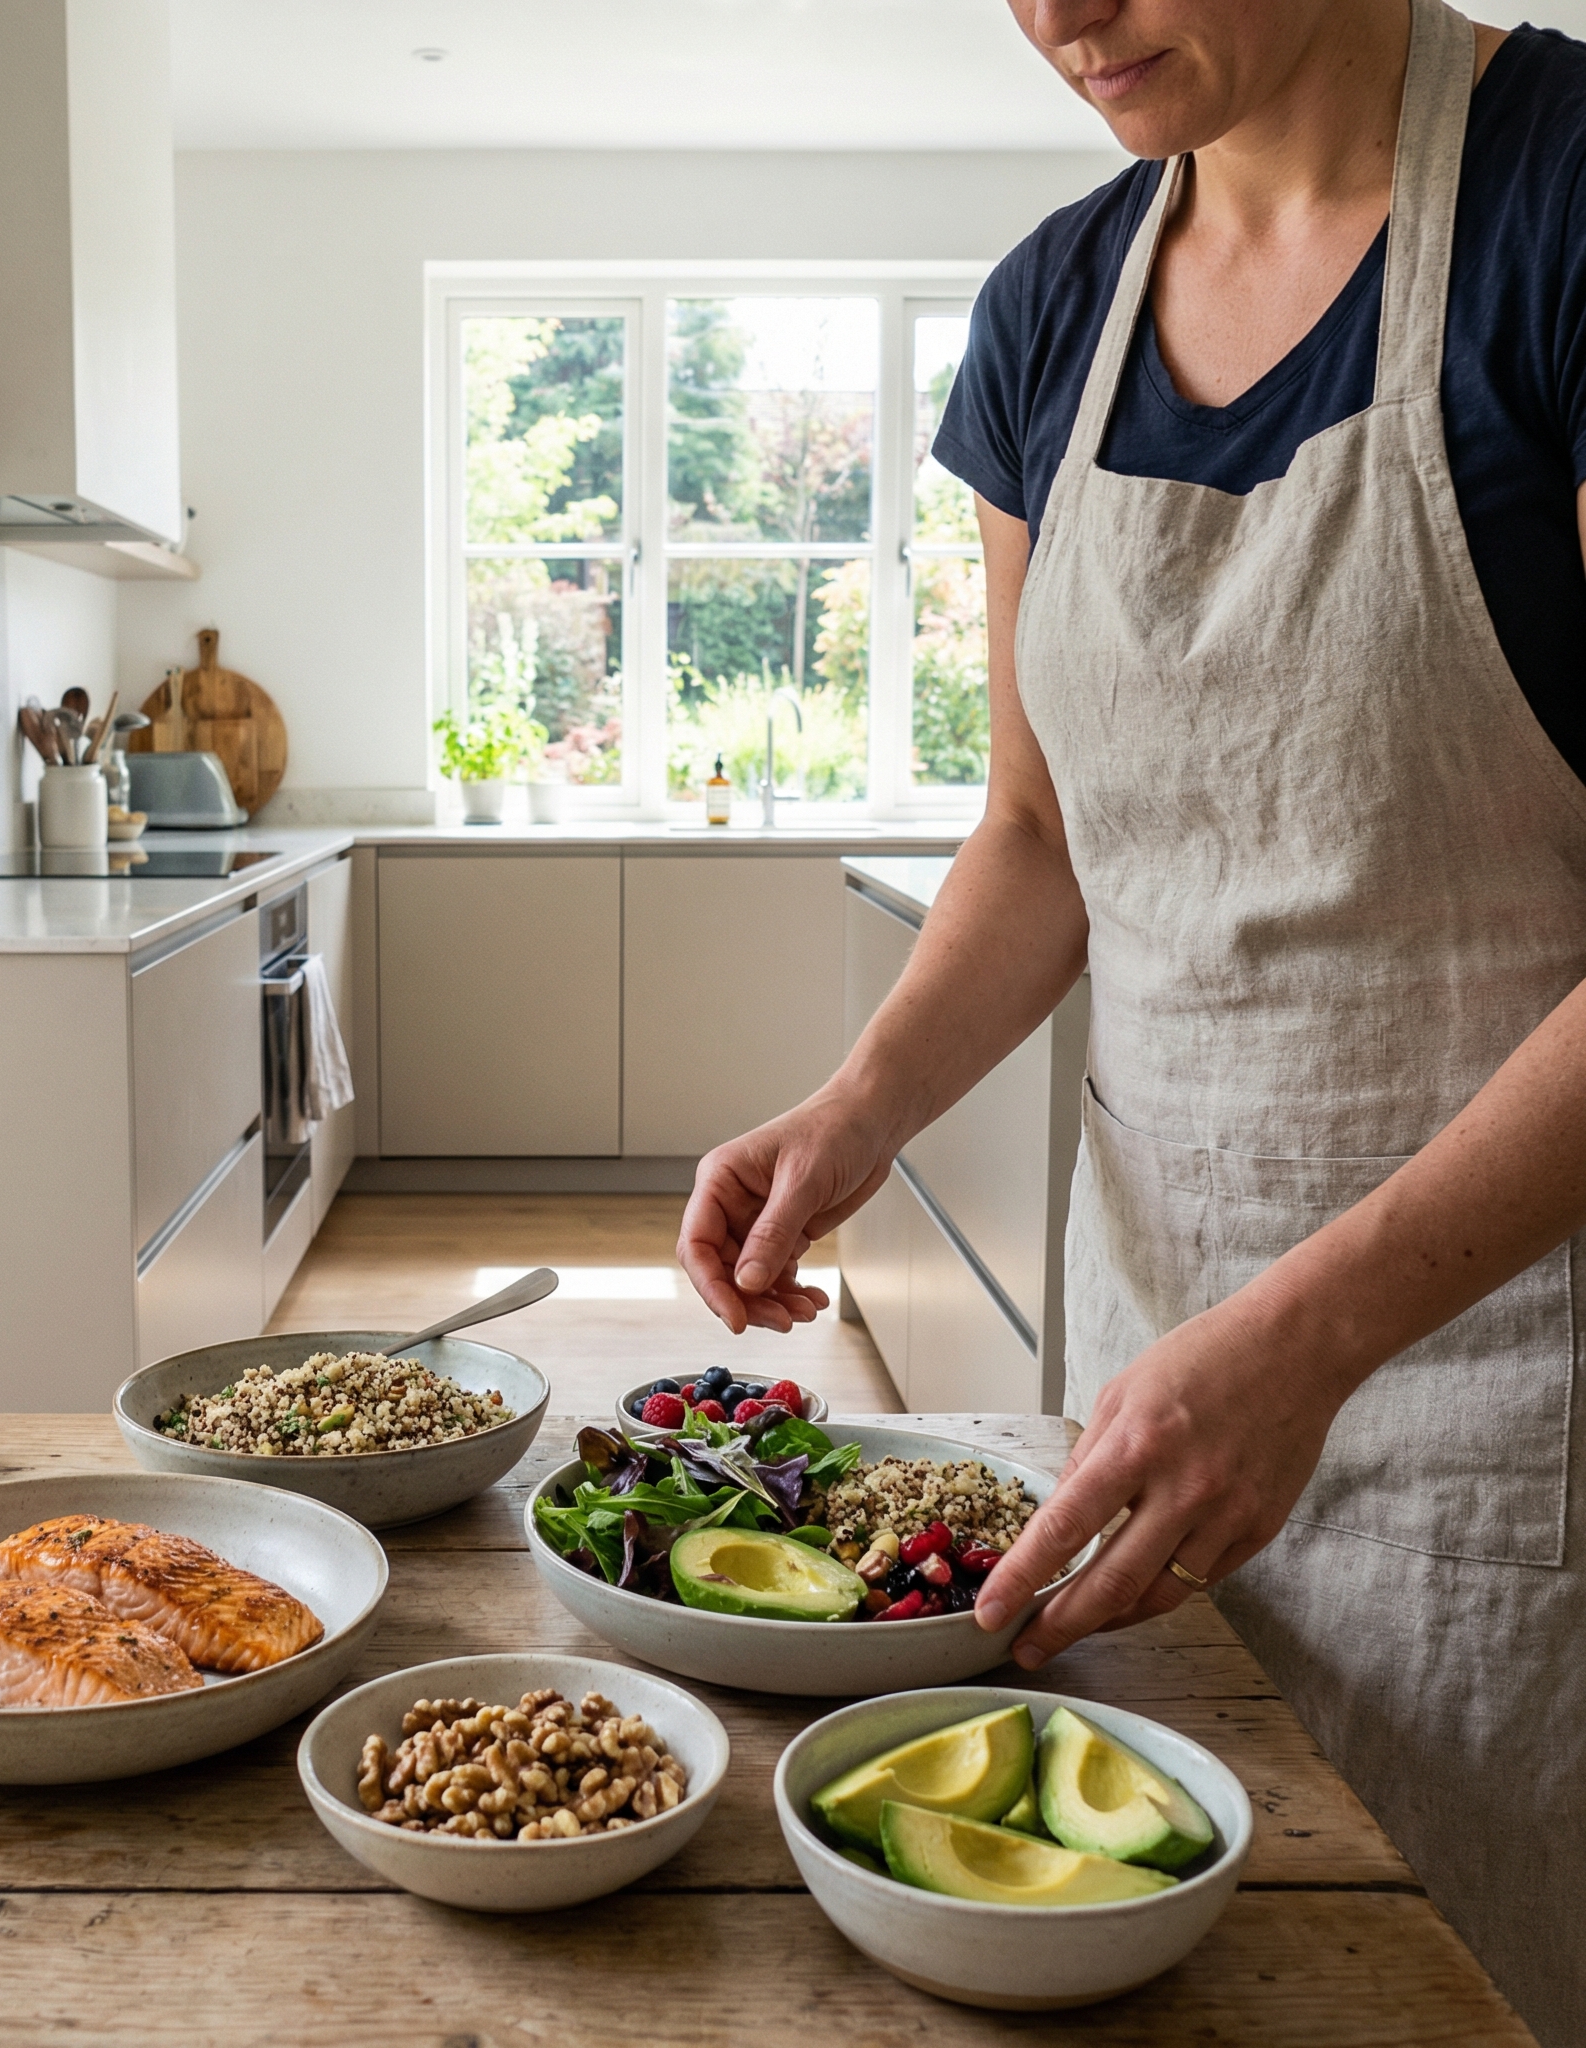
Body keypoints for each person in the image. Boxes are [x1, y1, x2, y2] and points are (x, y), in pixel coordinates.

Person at [676, 3, 1586, 2037]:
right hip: (1150, 1365)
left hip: (1510, 1404)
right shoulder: (1050, 313)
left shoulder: (1560, 205)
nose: (1059, 13)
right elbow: (1040, 834)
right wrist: (857, 1109)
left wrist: (1313, 1338)